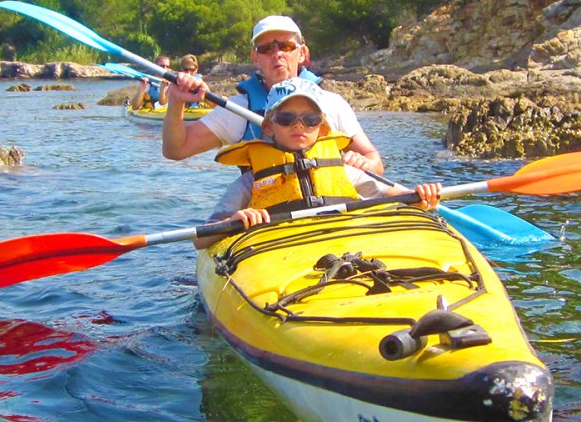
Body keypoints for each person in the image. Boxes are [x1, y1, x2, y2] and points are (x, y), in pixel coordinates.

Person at [195, 78, 439, 248]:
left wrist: (417, 195)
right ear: (269, 127)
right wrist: (233, 222)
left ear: (322, 129)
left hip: (343, 245)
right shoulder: (251, 181)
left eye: (310, 119)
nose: (299, 125)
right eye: (286, 118)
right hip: (279, 254)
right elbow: (201, 240)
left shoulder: (341, 170)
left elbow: (390, 193)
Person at [163, 16, 384, 175]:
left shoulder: (331, 104)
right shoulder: (238, 110)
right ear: (255, 58)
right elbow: (175, 150)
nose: (277, 54)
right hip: (266, 220)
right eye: (267, 48)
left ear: (302, 53)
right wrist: (176, 102)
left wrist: (363, 164)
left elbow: (375, 162)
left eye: (286, 46)